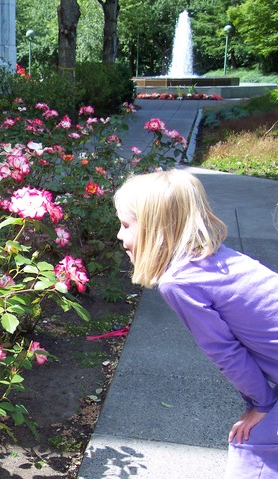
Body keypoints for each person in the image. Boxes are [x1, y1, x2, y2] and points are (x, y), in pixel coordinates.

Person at [114, 168, 278, 478]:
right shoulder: (213, 258)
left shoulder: (180, 281)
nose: (120, 235)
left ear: (155, 228)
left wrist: (261, 403)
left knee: (253, 445)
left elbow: (225, 352)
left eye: (125, 225)